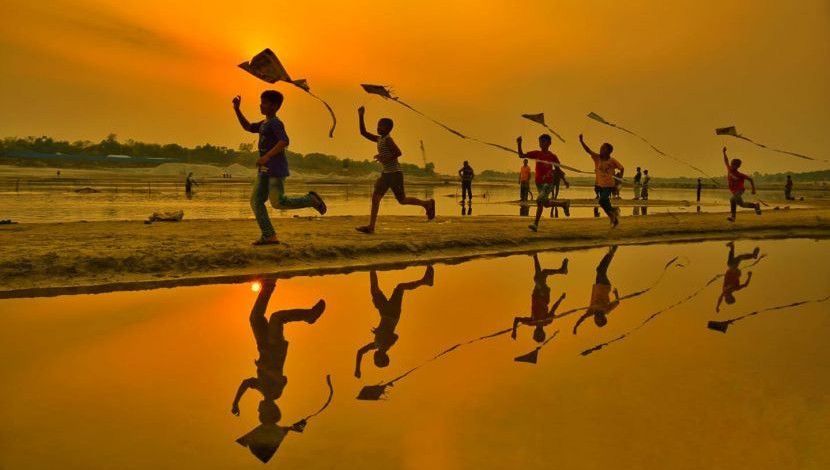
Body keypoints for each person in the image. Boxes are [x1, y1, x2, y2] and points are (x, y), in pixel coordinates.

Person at [231, 279, 326, 463]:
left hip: (264, 347)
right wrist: (265, 369)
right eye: (261, 414)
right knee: (277, 318)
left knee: (255, 318)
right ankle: (309, 316)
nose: (258, 411)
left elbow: (246, 383)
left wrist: (236, 403)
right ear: (269, 410)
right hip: (274, 349)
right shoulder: (275, 392)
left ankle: (268, 285)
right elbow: (283, 378)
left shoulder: (262, 389)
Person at [233, 91, 327, 246]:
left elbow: (284, 141)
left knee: (278, 202)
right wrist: (237, 109)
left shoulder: (275, 123)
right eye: (261, 101)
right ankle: (269, 235)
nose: (260, 105)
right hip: (263, 170)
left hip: (275, 169)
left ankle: (311, 199)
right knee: (256, 201)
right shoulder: (264, 123)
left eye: (264, 103)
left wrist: (267, 156)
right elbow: (248, 127)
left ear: (274, 106)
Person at [355, 107, 436, 234]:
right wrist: (361, 116)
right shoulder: (379, 139)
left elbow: (398, 152)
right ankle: (371, 227)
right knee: (375, 198)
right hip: (386, 175)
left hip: (395, 174)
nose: (378, 128)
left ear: (388, 129)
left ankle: (427, 204)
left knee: (402, 200)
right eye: (378, 125)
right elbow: (363, 132)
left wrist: (384, 159)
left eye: (381, 126)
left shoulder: (388, 139)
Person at [355, 266, 434, 377]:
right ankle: (372, 268)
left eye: (375, 361)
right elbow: (395, 336)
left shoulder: (376, 345)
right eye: (377, 361)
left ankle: (425, 281)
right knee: (375, 292)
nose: (374, 359)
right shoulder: (385, 346)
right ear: (382, 358)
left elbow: (360, 352)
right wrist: (382, 333)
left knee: (400, 288)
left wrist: (357, 369)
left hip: (391, 314)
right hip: (389, 314)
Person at [516, 134, 572, 232]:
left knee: (539, 200)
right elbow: (521, 155)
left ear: (549, 143)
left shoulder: (553, 156)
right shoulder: (536, 153)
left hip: (548, 183)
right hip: (539, 183)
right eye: (540, 142)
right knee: (545, 203)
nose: (542, 143)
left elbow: (558, 169)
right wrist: (519, 143)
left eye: (544, 141)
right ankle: (563, 204)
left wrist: (564, 180)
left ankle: (535, 224)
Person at [511, 254, 568, 343]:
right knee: (537, 278)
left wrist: (514, 331)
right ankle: (536, 256)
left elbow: (516, 319)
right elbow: (553, 308)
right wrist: (561, 299)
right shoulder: (547, 322)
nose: (535, 334)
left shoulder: (531, 322)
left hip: (536, 294)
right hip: (544, 296)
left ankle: (560, 269)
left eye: (535, 335)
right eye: (537, 335)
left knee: (542, 273)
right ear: (542, 334)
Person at [573, 245, 620, 334]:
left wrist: (576, 326)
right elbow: (617, 302)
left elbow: (582, 318)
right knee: (600, 270)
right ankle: (612, 250)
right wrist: (616, 293)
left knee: (599, 269)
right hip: (604, 286)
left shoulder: (592, 311)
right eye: (598, 320)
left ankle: (612, 250)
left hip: (598, 286)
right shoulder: (606, 310)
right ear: (603, 318)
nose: (596, 319)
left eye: (595, 321)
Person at [579, 134, 624, 227]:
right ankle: (614, 217)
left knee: (602, 200)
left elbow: (622, 168)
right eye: (601, 147)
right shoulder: (597, 158)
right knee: (605, 203)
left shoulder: (612, 160)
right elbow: (588, 150)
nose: (601, 149)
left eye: (604, 148)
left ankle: (612, 216)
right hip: (599, 184)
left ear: (609, 151)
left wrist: (619, 180)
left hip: (609, 185)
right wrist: (581, 141)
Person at [716, 242, 760, 312]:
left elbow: (720, 298)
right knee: (733, 261)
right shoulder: (735, 288)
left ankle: (732, 247)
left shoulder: (725, 291)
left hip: (732, 270)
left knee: (733, 261)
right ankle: (752, 255)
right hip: (735, 272)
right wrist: (749, 276)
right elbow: (745, 285)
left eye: (726, 298)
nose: (725, 297)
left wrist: (717, 306)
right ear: (731, 297)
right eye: (727, 298)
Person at [722, 146, 761, 222]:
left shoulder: (740, 175)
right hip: (734, 191)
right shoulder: (729, 169)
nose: (732, 166)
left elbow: (751, 179)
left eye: (734, 165)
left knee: (732, 200)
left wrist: (753, 189)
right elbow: (726, 161)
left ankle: (733, 217)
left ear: (738, 166)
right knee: (742, 204)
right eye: (732, 164)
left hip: (740, 190)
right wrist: (724, 152)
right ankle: (755, 206)